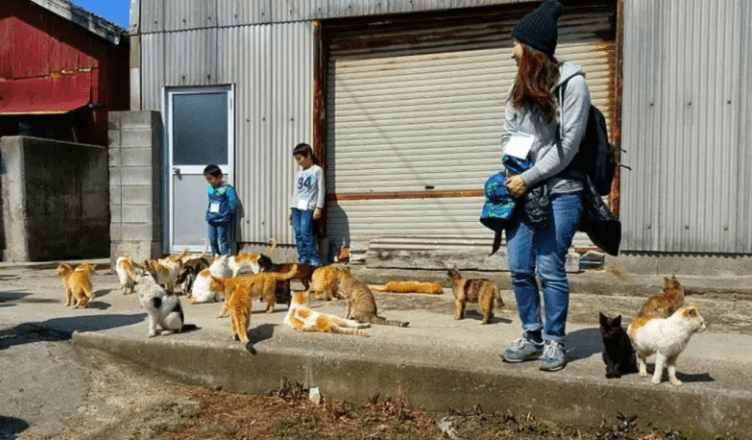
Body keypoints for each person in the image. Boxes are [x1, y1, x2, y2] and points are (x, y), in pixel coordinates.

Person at [499, 0, 591, 371]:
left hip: (561, 189)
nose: (511, 53)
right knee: (520, 267)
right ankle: (532, 335)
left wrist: (529, 176)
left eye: (515, 45)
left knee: (550, 267)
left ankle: (555, 341)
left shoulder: (573, 84)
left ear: (532, 49)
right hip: (521, 187)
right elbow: (508, 134)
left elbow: (567, 148)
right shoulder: (519, 88)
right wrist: (510, 172)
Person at [290, 143, 325, 267]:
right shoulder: (299, 173)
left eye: (300, 158)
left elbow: (321, 190)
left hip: (308, 207)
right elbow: (296, 192)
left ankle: (314, 259)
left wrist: (319, 207)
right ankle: (303, 258)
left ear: (308, 156)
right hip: (296, 207)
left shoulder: (317, 170)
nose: (298, 162)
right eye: (296, 159)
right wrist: (291, 210)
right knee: (298, 234)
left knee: (306, 233)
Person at [204, 164, 238, 256]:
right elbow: (210, 201)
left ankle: (224, 258)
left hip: (222, 219)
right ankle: (215, 255)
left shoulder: (227, 188)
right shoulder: (210, 189)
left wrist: (227, 213)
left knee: (223, 239)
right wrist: (208, 214)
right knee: (212, 239)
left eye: (211, 179)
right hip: (211, 219)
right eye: (208, 180)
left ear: (219, 177)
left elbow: (233, 202)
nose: (210, 182)